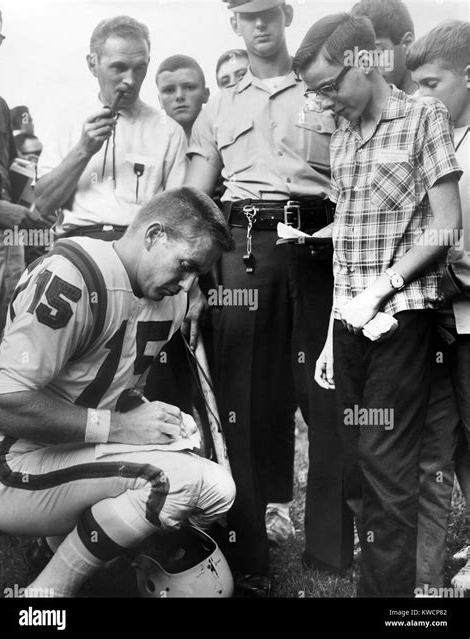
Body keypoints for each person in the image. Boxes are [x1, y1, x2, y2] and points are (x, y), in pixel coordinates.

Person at [186, 0, 353, 596]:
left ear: (286, 14)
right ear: (234, 22)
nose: (259, 25)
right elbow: (197, 199)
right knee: (244, 402)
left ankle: (331, 550)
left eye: (268, 12)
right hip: (244, 247)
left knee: (330, 396)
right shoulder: (219, 107)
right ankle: (247, 551)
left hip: (321, 246)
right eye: (246, 14)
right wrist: (194, 277)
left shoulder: (324, 90)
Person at [0, 186, 236, 598]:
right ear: (154, 234)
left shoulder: (169, 301)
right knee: (181, 482)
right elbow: (3, 402)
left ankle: (63, 544)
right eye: (185, 265)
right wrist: (121, 426)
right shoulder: (73, 274)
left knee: (210, 486)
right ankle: (42, 597)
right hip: (11, 464)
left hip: (62, 455)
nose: (187, 284)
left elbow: (116, 390)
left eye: (199, 273)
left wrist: (155, 420)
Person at [295, 12, 462, 597]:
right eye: (313, 91)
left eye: (329, 85)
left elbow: (446, 227)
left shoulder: (424, 115)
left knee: (389, 469)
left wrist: (381, 287)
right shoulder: (340, 135)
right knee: (356, 469)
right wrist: (328, 338)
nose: (322, 101)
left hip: (401, 316)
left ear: (364, 61)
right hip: (349, 324)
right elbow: (347, 238)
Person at [407, 19, 470, 594]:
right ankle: (423, 583)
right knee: (433, 447)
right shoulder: (431, 142)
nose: (423, 98)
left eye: (433, 83)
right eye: (415, 87)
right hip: (433, 322)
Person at [34, 16, 187, 240]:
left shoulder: (169, 131)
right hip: (77, 246)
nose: (130, 80)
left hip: (139, 249)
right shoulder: (66, 122)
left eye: (139, 68)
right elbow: (44, 204)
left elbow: (177, 216)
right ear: (92, 63)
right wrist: (84, 149)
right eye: (119, 67)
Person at [0, 7, 48, 345]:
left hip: (6, 243)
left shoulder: (0, 105)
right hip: (4, 223)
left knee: (4, 336)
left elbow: (15, 175)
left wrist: (40, 202)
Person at [351, 0, 416, 94]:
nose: (367, 66)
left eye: (376, 53)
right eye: (360, 57)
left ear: (407, 44)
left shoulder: (429, 105)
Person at [156, 55, 210, 141]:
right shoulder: (148, 147)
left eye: (189, 87)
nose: (179, 96)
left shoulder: (222, 140)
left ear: (206, 94)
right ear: (160, 101)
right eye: (169, 90)